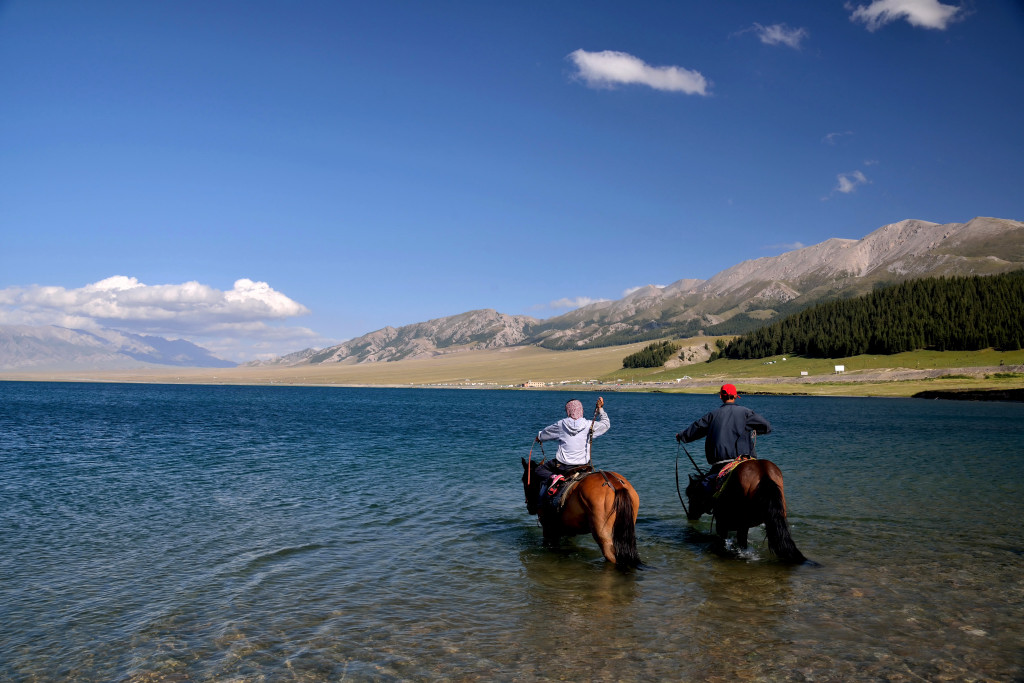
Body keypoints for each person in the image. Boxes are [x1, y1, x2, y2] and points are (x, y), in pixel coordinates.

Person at [677, 383, 771, 487]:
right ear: (735, 396)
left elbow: (696, 428)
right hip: (745, 460)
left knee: (703, 488)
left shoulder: (712, 415)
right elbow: (766, 427)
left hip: (721, 464)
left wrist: (681, 436)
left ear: (721, 396)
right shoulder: (746, 413)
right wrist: (754, 429)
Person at [534, 397, 609, 500]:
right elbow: (606, 424)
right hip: (583, 466)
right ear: (581, 410)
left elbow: (545, 433)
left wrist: (539, 437)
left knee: (538, 470)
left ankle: (554, 477)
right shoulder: (589, 425)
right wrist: (600, 409)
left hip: (563, 466)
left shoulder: (561, 424)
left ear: (568, 411)